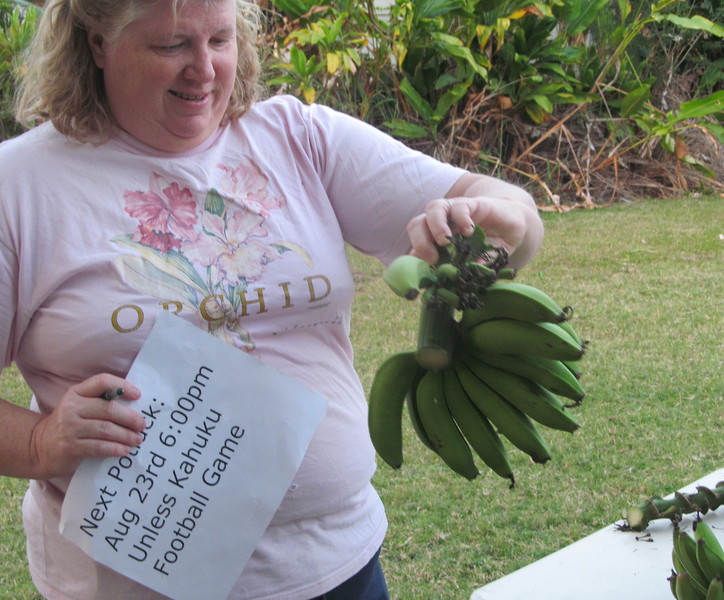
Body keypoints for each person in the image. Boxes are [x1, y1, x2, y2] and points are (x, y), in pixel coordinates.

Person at [0, 0, 544, 598]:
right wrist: (39, 442)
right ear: (97, 42)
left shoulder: (298, 137)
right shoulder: (20, 188)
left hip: (337, 567)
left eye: (221, 39)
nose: (203, 69)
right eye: (171, 46)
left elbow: (501, 212)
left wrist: (505, 218)